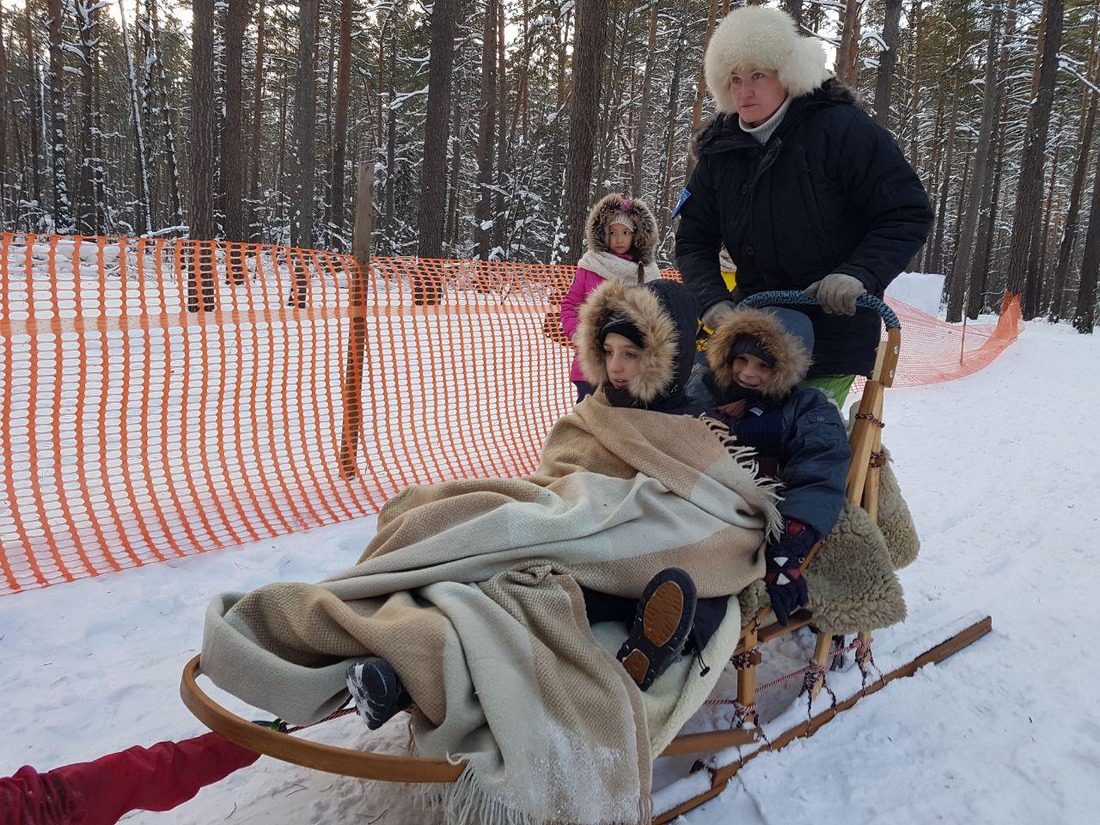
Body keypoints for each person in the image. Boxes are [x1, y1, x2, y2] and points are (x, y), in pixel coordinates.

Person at [351, 278, 710, 715]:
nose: (615, 366)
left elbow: (702, 509)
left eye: (631, 355)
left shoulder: (687, 427)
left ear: (665, 357)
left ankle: (406, 680)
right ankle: (374, 633)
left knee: (523, 592)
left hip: (611, 553)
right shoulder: (598, 409)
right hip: (558, 517)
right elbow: (558, 473)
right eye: (609, 351)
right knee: (445, 519)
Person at [674, 4, 932, 407]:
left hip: (832, 336)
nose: (745, 91)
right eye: (735, 79)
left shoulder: (840, 128)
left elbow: (906, 213)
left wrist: (857, 274)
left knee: (803, 445)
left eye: (758, 75)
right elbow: (693, 241)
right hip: (752, 338)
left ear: (788, 73)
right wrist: (711, 300)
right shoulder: (719, 151)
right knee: (707, 439)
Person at [695, 304, 851, 625]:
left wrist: (790, 542)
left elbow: (818, 470)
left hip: (756, 515)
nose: (748, 373)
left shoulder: (808, 407)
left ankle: (693, 629)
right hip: (695, 497)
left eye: (763, 365)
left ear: (785, 368)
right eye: (741, 359)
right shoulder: (705, 389)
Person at [559, 193, 662, 403]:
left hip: (630, 366)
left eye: (625, 232)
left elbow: (658, 315)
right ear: (603, 234)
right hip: (591, 362)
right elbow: (570, 305)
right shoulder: (590, 265)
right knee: (588, 422)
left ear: (637, 234)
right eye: (612, 232)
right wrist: (579, 334)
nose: (619, 239)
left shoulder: (649, 272)